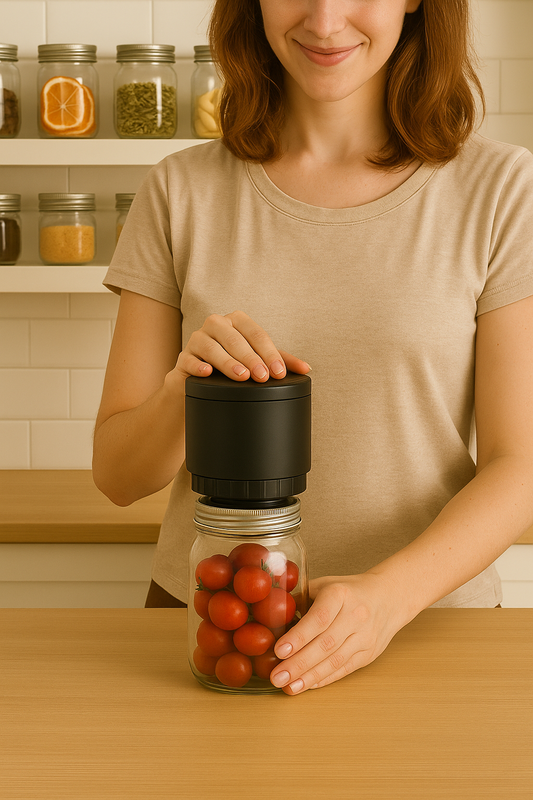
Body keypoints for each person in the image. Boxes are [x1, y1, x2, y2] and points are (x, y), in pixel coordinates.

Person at [93, 0, 533, 695]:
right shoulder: (179, 189)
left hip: (426, 629)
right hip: (213, 624)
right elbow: (119, 476)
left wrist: (384, 599)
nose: (325, 21)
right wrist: (188, 388)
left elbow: (520, 465)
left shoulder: (501, 191)